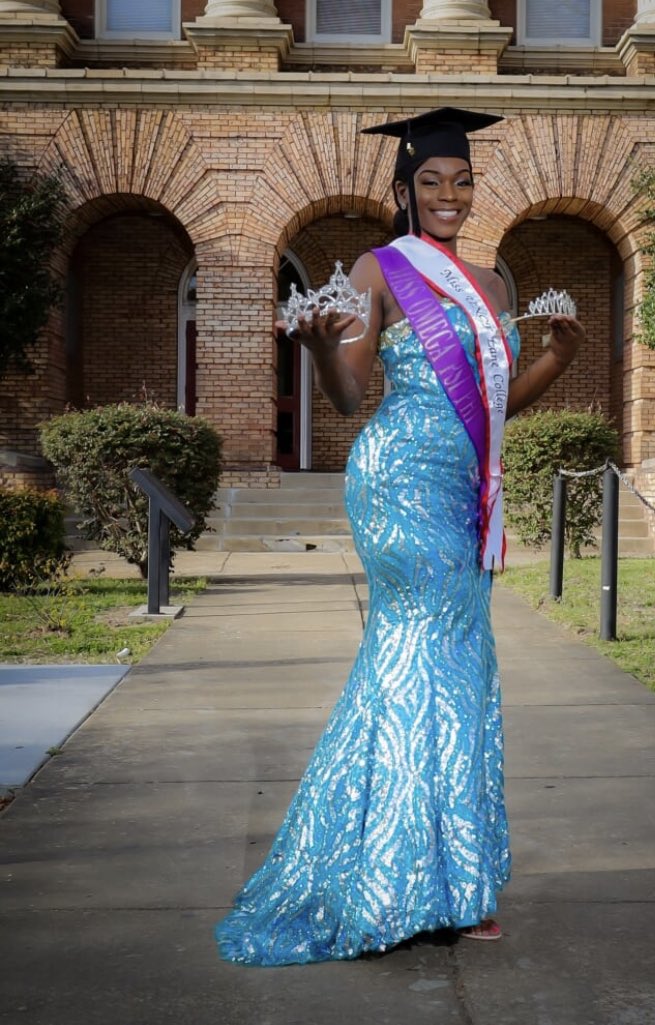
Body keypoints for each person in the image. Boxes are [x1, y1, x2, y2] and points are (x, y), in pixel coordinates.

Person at [215, 108, 585, 966]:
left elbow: (495, 409)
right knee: (428, 661)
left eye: (461, 180)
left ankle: (448, 881)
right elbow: (348, 398)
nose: (449, 195)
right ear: (405, 190)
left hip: (462, 494)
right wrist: (312, 348)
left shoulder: (494, 287)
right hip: (395, 487)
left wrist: (558, 362)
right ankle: (398, 882)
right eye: (431, 182)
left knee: (442, 671)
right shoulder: (376, 269)